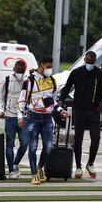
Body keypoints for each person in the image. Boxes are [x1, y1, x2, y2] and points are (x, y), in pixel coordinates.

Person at [18, 56, 68, 185]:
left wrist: (60, 111)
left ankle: (40, 168)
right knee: (33, 147)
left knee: (48, 147)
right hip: (32, 117)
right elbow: (22, 99)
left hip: (47, 118)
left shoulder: (52, 81)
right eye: (47, 67)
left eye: (51, 67)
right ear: (40, 66)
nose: (49, 70)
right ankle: (34, 174)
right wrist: (20, 116)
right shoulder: (29, 81)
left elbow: (51, 101)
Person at [59, 51, 102, 179]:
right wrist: (61, 99)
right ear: (84, 60)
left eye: (92, 61)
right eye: (87, 60)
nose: (89, 63)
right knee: (78, 139)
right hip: (79, 110)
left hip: (94, 111)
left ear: (95, 61)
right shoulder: (76, 72)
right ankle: (78, 166)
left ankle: (90, 163)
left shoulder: (101, 74)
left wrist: (100, 102)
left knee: (96, 137)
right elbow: (67, 87)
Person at [0, 60, 28, 180]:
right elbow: (0, 98)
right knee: (9, 144)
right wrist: (1, 110)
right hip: (9, 117)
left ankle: (15, 163)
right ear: (14, 69)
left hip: (24, 117)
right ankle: (11, 170)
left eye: (22, 71)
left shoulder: (27, 81)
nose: (20, 73)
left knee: (24, 143)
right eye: (18, 70)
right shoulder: (6, 80)